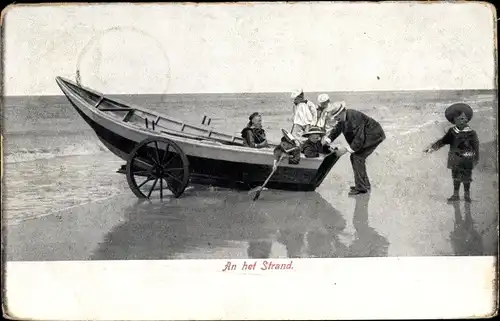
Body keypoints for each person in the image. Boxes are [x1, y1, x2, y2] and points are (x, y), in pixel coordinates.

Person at [325, 101, 386, 195]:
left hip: (374, 136)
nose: (336, 119)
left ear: (342, 112)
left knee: (357, 157)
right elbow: (337, 129)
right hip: (366, 136)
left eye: (336, 116)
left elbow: (359, 138)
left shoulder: (354, 117)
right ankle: (364, 184)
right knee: (356, 157)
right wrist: (328, 139)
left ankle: (361, 187)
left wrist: (346, 149)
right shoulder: (343, 118)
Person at [423, 103, 479, 202]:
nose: (462, 121)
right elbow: (442, 142)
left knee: (467, 178)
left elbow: (475, 147)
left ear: (467, 119)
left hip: (467, 159)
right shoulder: (452, 132)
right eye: (459, 119)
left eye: (463, 118)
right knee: (456, 178)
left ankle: (467, 195)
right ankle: (455, 195)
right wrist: (432, 148)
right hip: (455, 160)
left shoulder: (472, 133)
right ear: (454, 121)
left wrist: (476, 159)